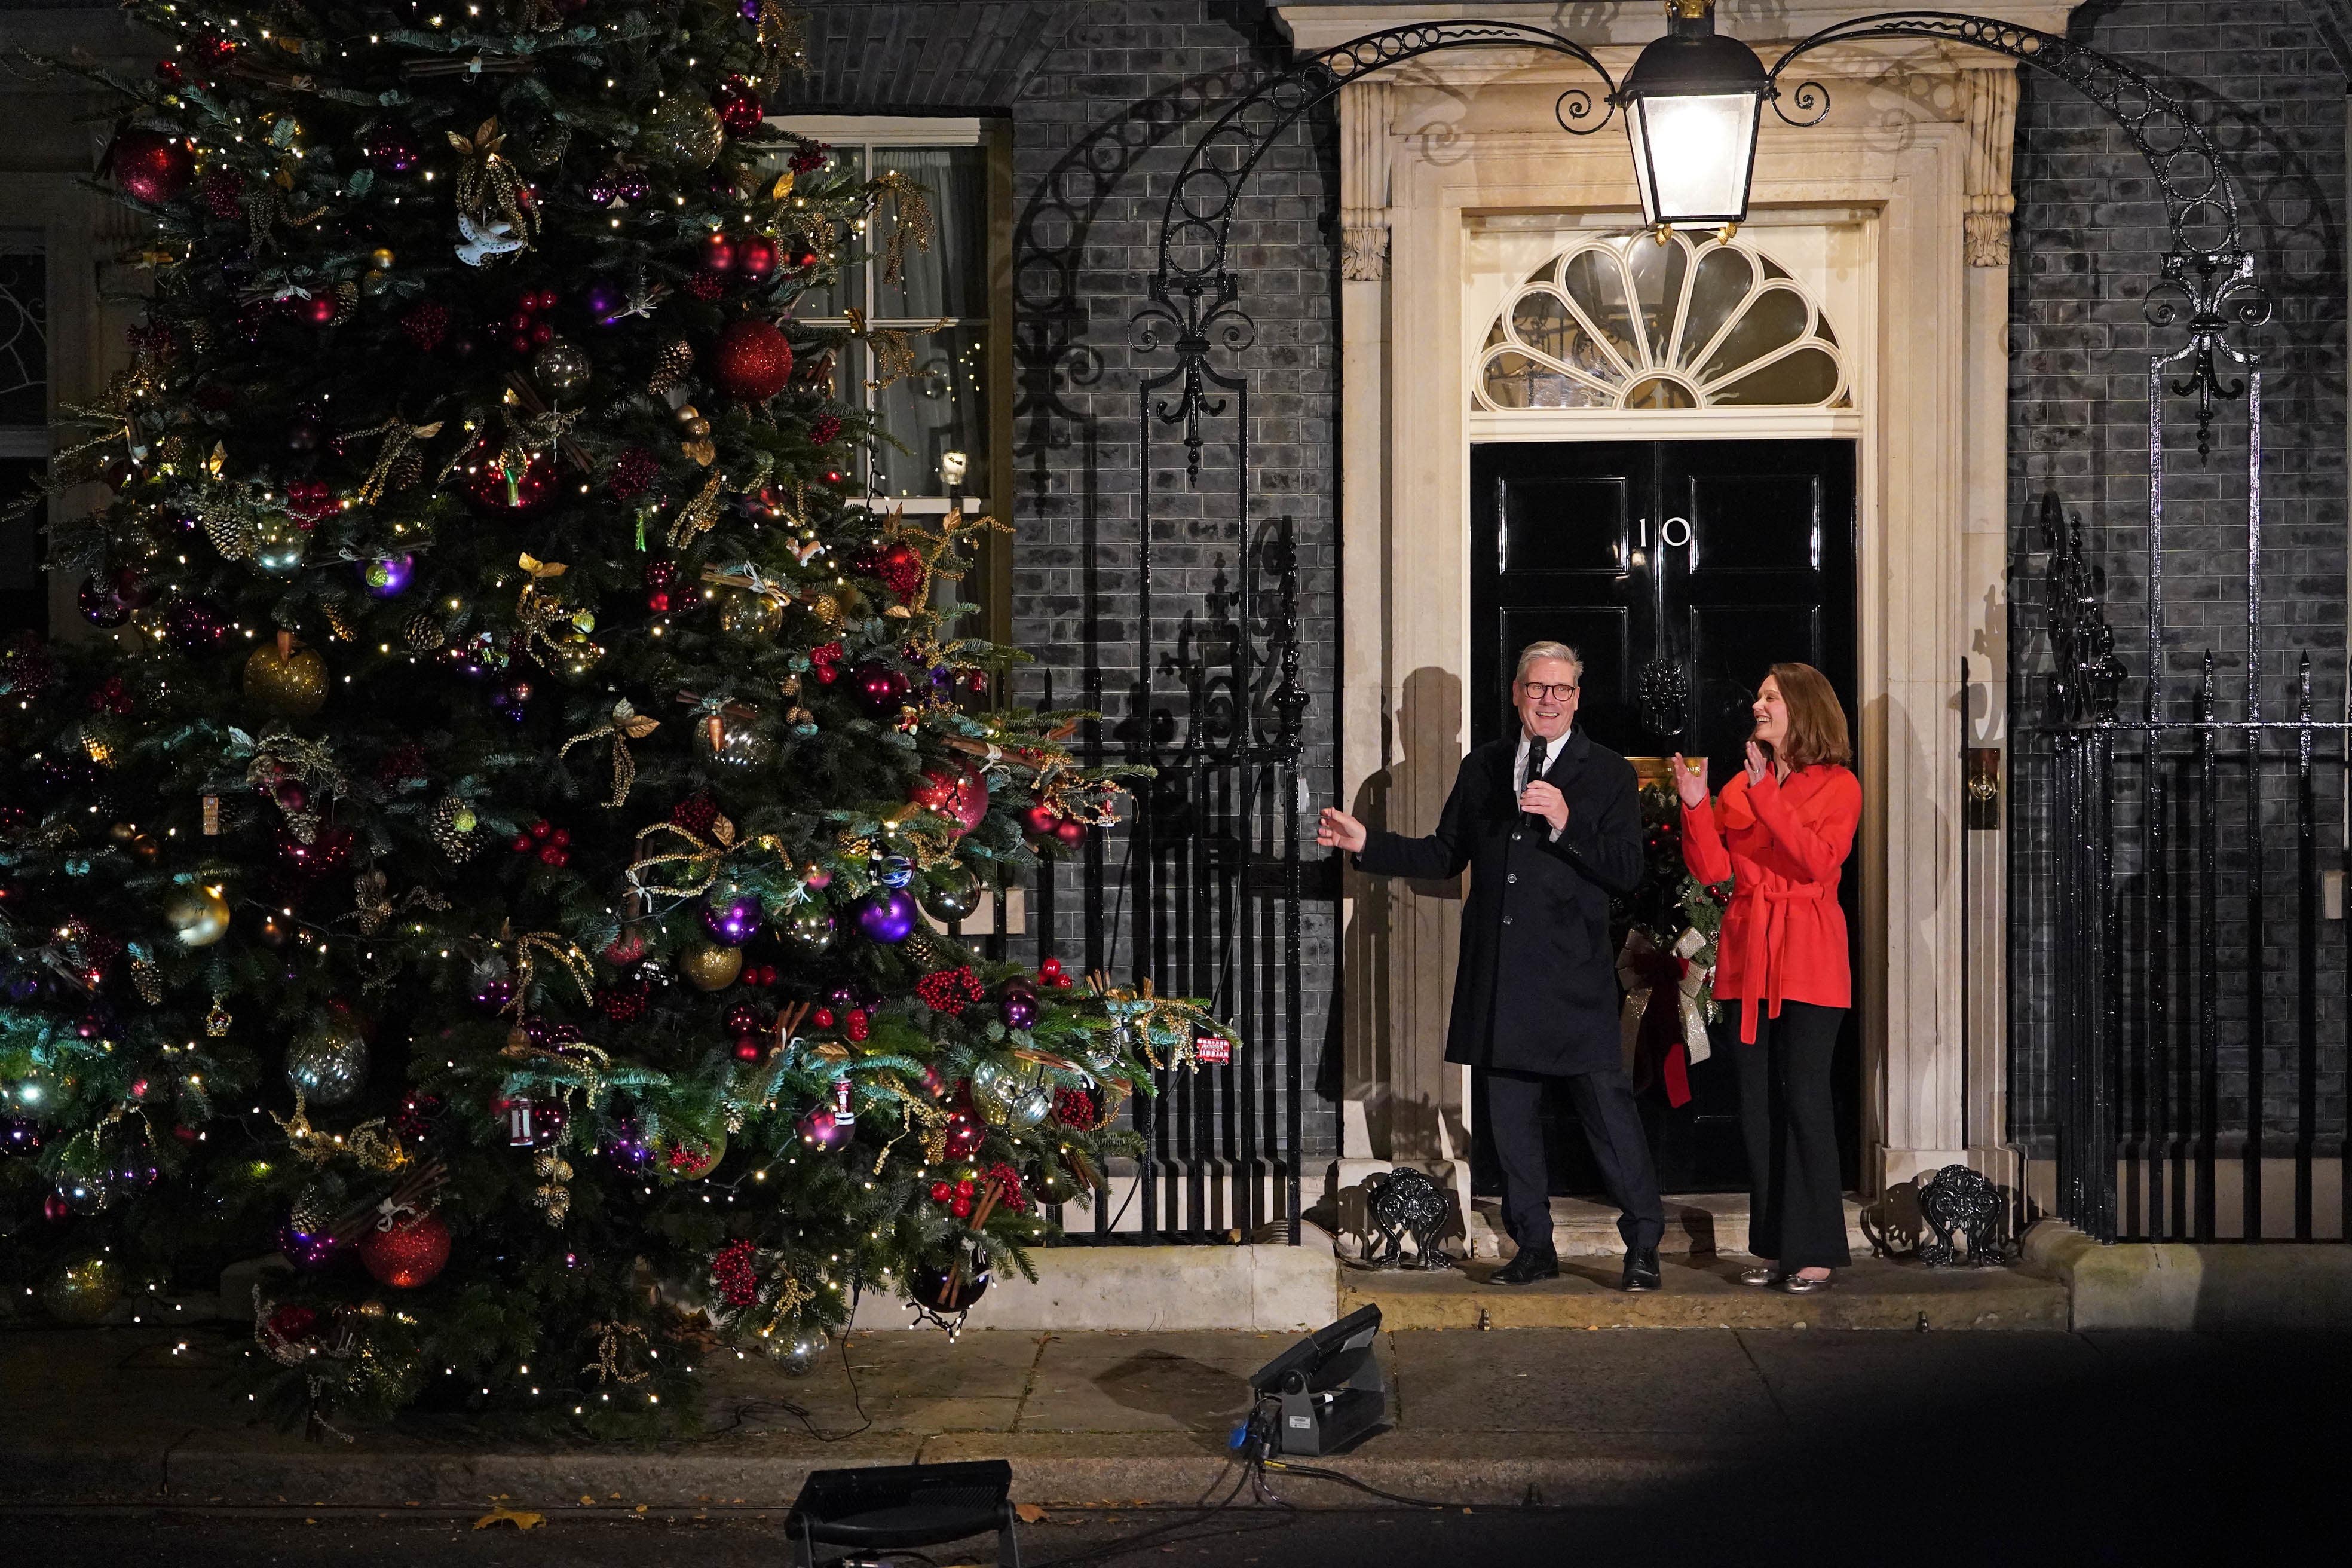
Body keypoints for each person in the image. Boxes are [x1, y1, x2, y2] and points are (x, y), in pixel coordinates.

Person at [1318, 642, 1664, 1290]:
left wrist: (1565, 821)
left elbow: (1627, 872)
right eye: (1537, 688)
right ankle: (1534, 1245)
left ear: (1577, 698)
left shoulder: (1608, 772)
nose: (1549, 700)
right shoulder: (1483, 768)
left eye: (1562, 689)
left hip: (1573, 977)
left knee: (1609, 1118)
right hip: (1501, 974)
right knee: (1511, 1122)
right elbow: (1447, 854)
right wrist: (1368, 842)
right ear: (1516, 693)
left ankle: (1643, 1242)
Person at [1673, 663, 1861, 1293]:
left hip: (1809, 956)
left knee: (1804, 1099)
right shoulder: (1740, 786)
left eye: (1771, 696)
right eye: (1759, 694)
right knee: (1759, 1108)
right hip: (1750, 956)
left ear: (1803, 708)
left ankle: (1818, 1248)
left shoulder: (1839, 786)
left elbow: (1817, 860)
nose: (1758, 703)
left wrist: (1769, 796)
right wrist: (1698, 807)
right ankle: (1779, 1246)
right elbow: (1712, 872)